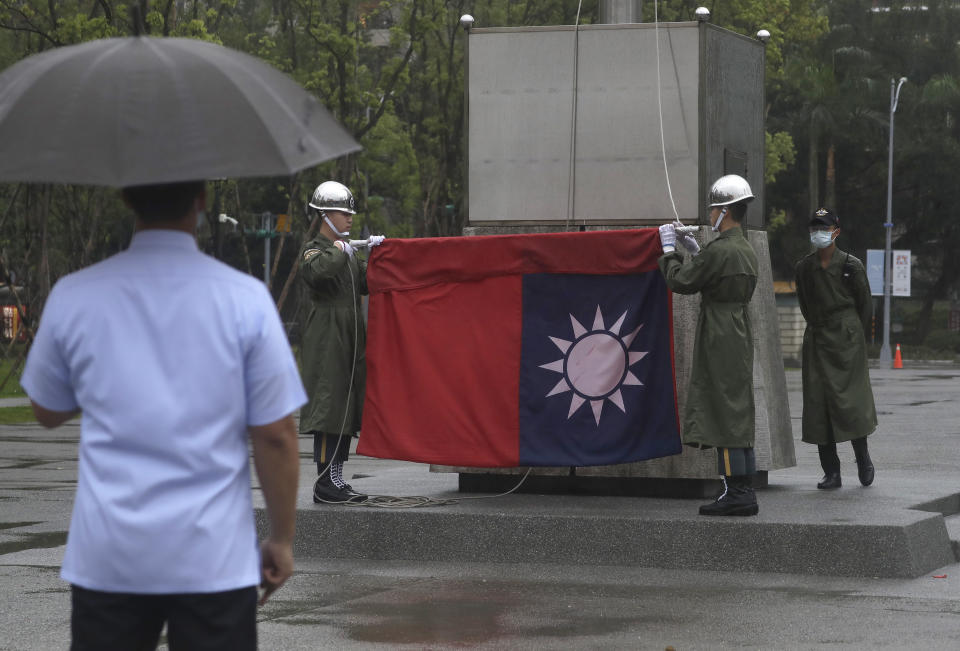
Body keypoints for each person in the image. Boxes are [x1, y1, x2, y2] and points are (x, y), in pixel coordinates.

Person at [20, 180, 306, 650]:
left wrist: (105, 377)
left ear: (126, 197)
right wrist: (281, 539)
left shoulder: (76, 294)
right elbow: (276, 433)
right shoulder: (245, 299)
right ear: (201, 200)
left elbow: (46, 409)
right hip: (213, 558)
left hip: (109, 558)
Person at [657, 174, 760, 516]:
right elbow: (716, 270)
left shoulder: (721, 250)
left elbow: (682, 281)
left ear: (725, 211)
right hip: (738, 330)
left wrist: (670, 250)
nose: (711, 213)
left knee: (723, 412)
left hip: (719, 331)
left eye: (714, 208)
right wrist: (697, 251)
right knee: (737, 410)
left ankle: (736, 493)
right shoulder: (743, 247)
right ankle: (744, 488)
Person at [299, 181, 384, 504]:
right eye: (343, 213)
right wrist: (340, 249)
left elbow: (366, 283)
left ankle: (336, 476)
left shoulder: (345, 252)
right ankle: (324, 482)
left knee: (346, 406)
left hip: (349, 330)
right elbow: (318, 273)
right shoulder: (317, 248)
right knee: (329, 406)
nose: (350, 219)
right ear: (324, 215)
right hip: (327, 333)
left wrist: (377, 255)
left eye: (350, 213)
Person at [795, 207, 877, 489]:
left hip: (847, 339)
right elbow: (805, 304)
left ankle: (862, 457)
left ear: (836, 232)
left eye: (825, 228)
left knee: (851, 402)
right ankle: (831, 471)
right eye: (815, 228)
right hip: (818, 337)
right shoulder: (804, 267)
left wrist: (853, 333)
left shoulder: (851, 265)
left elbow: (865, 305)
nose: (819, 233)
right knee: (818, 405)